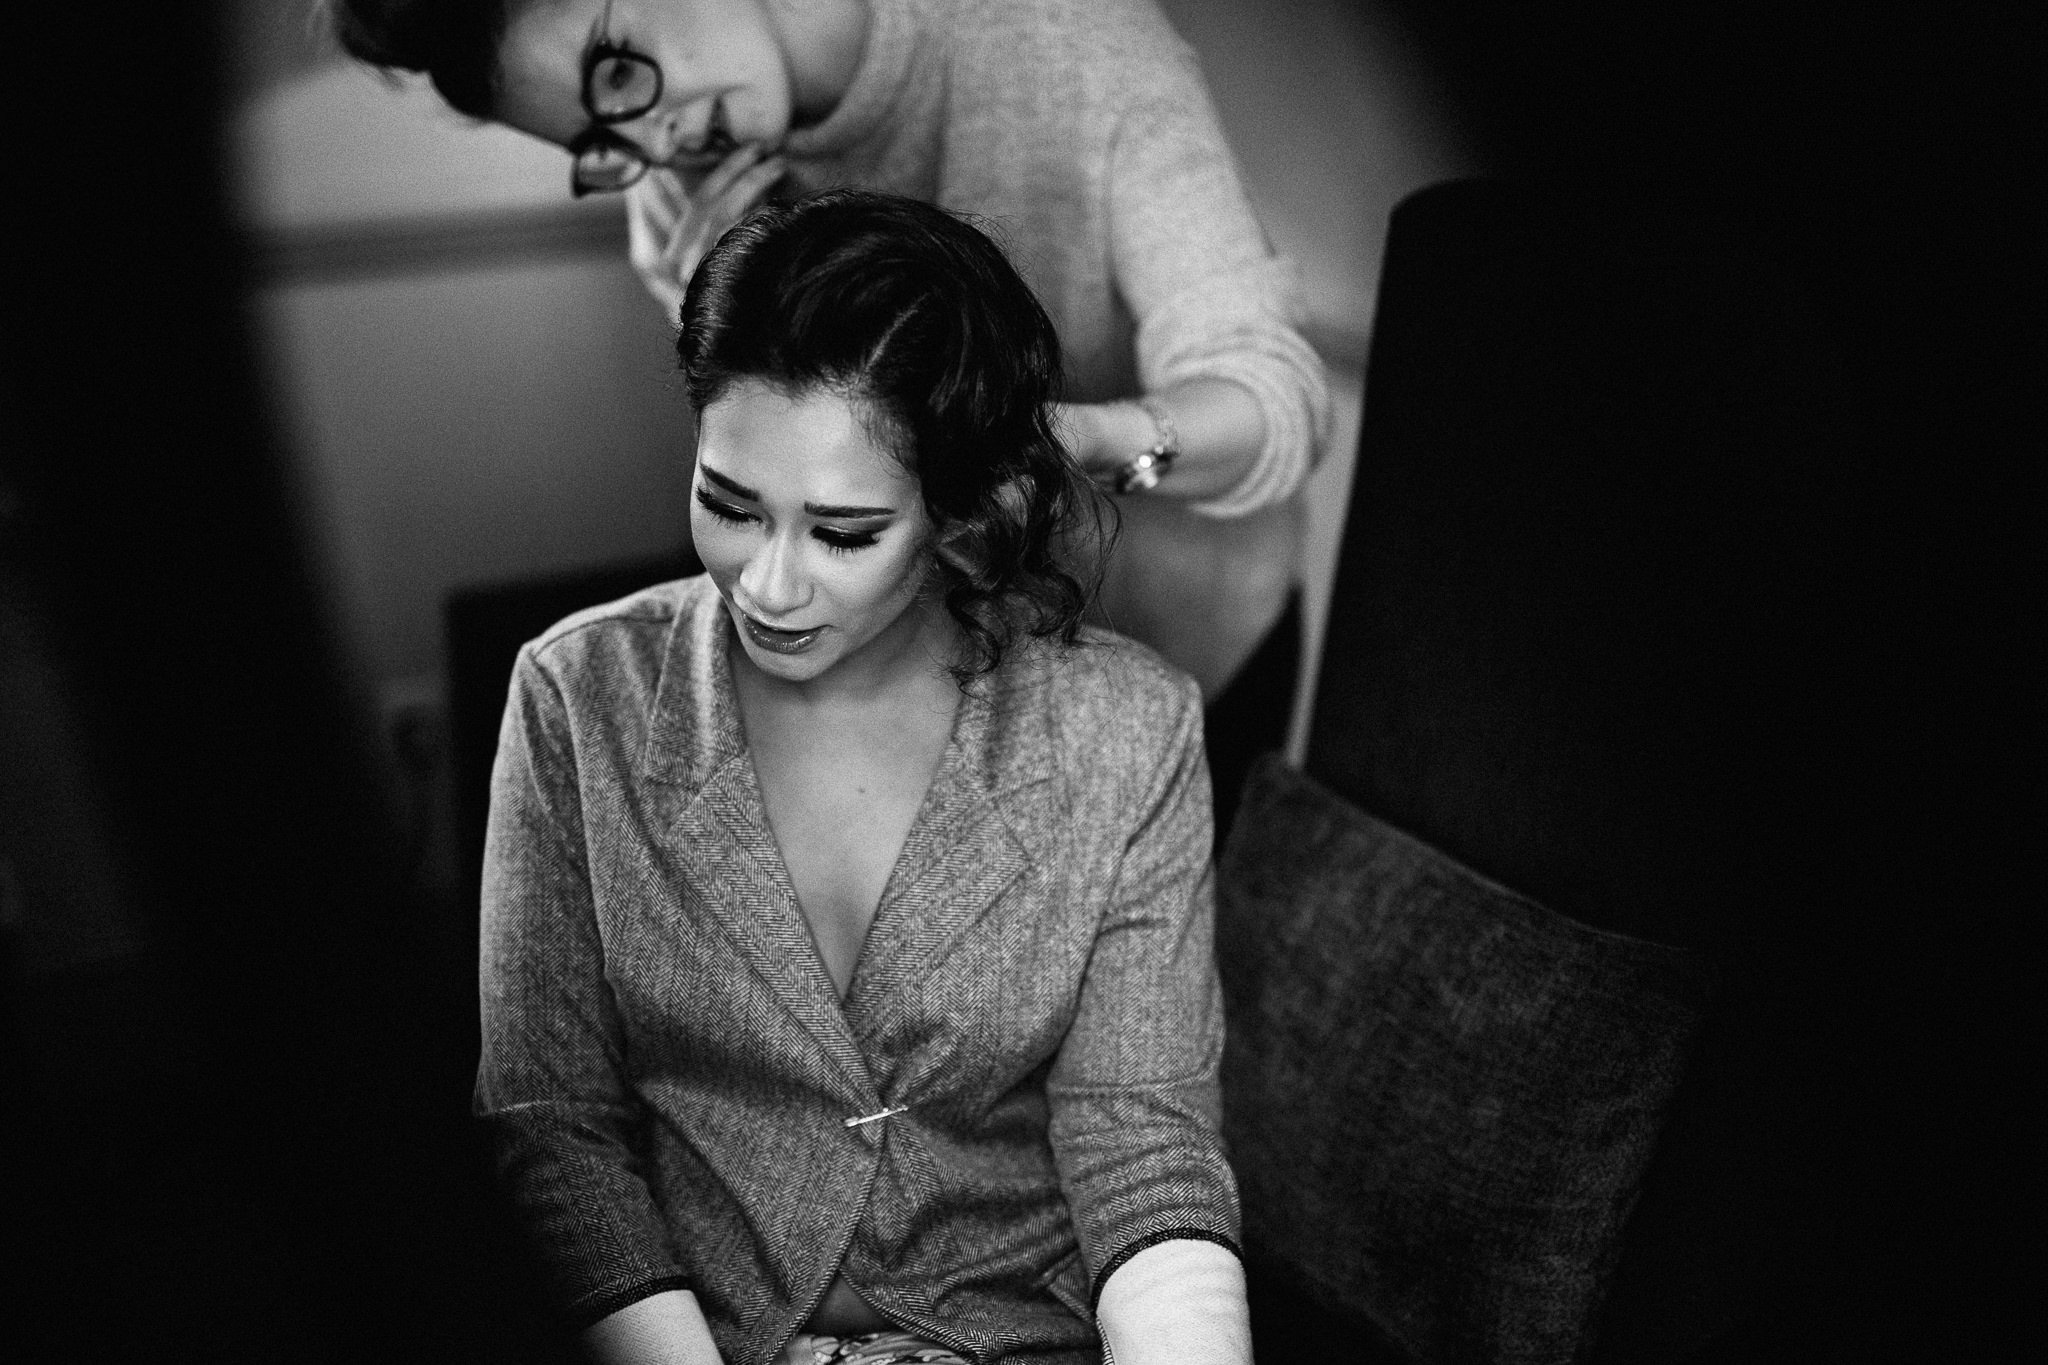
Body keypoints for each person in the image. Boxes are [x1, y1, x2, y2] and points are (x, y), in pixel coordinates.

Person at [477, 190, 1249, 1365]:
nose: (768, 587)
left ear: (958, 513)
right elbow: (553, 1128)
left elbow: (1140, 1143)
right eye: (728, 506)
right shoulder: (578, 698)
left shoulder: (1125, 732)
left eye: (841, 532)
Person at [326, 0, 1330, 722]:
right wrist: (723, 313)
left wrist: (1079, 439)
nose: (653, 135)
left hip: (1187, 636)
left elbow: (1270, 397)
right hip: (956, 673)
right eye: (599, 138)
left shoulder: (1072, 42)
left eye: (616, 68)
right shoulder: (679, 193)